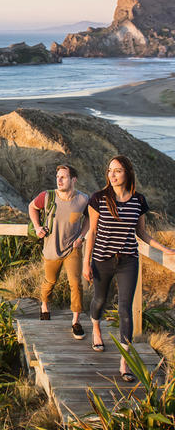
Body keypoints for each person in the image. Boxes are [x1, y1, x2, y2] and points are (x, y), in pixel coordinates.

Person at [83, 155, 175, 381]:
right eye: (110, 170)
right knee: (100, 301)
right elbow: (92, 232)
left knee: (125, 309)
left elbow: (141, 233)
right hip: (102, 259)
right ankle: (96, 329)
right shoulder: (98, 199)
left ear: (128, 173)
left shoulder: (138, 201)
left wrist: (164, 248)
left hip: (128, 260)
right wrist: (86, 262)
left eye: (118, 170)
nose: (112, 175)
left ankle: (125, 363)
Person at [29, 164, 89, 339]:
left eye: (63, 177)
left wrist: (82, 237)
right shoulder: (47, 196)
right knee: (50, 281)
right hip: (51, 249)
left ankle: (76, 321)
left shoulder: (83, 199)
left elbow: (90, 219)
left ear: (73, 180)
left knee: (76, 284)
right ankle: (44, 306)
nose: (59, 180)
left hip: (73, 249)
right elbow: (32, 207)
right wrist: (37, 226)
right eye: (58, 177)